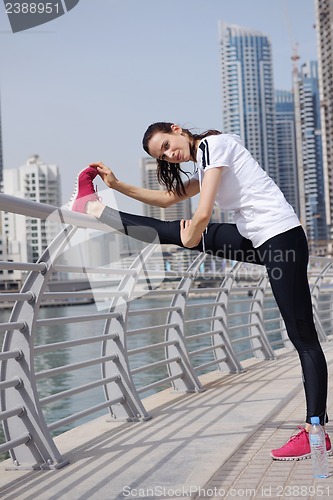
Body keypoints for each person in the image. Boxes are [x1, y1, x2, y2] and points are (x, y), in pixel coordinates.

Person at [69, 122, 330, 461]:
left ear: (177, 129)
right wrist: (116, 184)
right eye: (162, 154)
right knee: (169, 230)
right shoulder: (205, 161)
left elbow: (203, 212)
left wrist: (191, 236)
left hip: (281, 241)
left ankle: (316, 431)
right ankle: (94, 208)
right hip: (259, 239)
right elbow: (165, 200)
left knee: (302, 336)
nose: (170, 154)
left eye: (167, 143)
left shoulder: (213, 146)